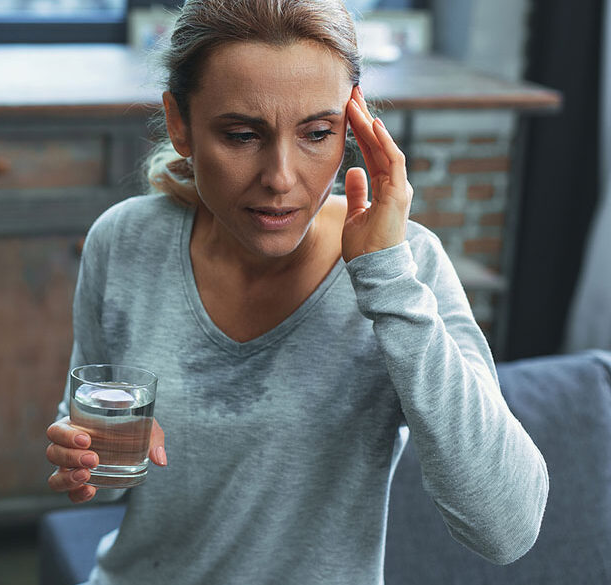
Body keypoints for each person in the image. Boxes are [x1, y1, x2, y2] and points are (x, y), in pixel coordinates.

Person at [44, 0, 549, 583]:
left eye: (316, 133)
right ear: (180, 124)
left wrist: (387, 278)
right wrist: (86, 459)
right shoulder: (125, 241)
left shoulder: (405, 269)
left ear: (353, 127)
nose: (281, 178)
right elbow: (105, 480)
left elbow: (506, 528)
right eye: (240, 134)